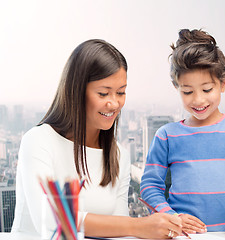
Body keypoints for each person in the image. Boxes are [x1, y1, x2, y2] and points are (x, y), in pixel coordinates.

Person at [11, 39, 182, 239]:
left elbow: (118, 229)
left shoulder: (119, 156)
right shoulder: (38, 141)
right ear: (76, 91)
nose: (114, 103)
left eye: (121, 92)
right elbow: (52, 220)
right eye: (103, 93)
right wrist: (138, 226)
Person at [140, 29, 225, 234]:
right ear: (176, 87)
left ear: (222, 83)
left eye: (207, 89)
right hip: (182, 236)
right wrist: (172, 217)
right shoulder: (166, 135)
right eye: (187, 91)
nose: (198, 100)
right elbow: (150, 186)